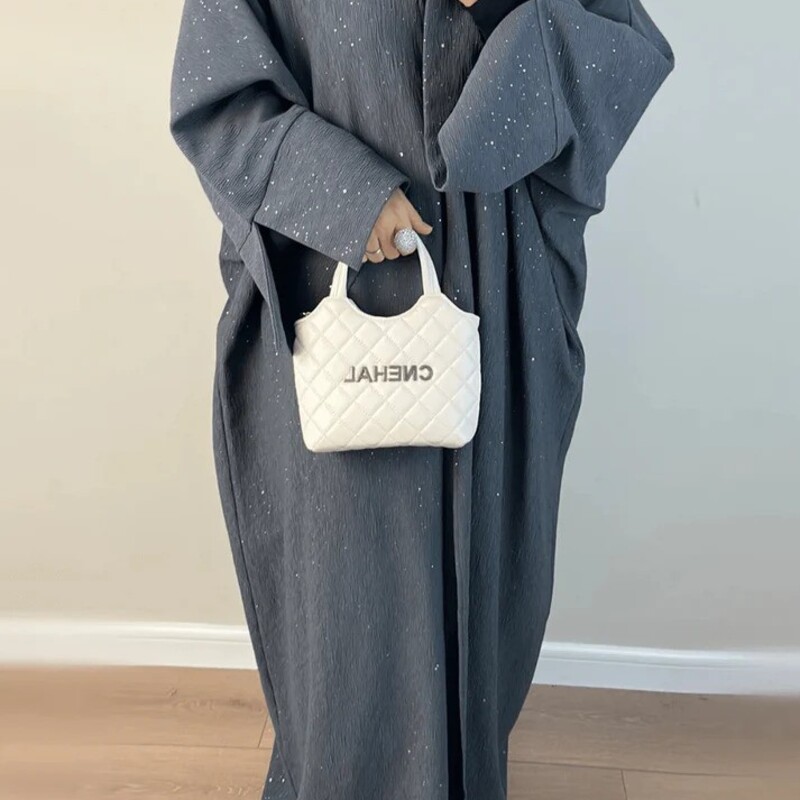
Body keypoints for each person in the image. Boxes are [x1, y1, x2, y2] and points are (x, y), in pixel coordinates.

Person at [168, 2, 674, 799]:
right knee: (346, 605)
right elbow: (216, 96)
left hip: (496, 288)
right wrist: (346, 193)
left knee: (485, 593)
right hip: (325, 289)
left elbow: (619, 47)